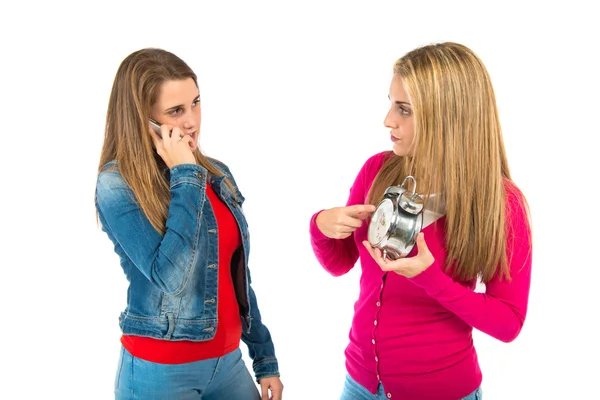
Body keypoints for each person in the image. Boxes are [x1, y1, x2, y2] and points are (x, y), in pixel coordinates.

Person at [309, 42, 532, 400]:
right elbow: (339, 263)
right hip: (360, 385)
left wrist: (432, 280)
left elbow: (508, 323)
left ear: (447, 117)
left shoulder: (502, 204)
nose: (387, 120)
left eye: (404, 110)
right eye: (391, 103)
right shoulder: (378, 171)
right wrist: (321, 225)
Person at [95, 48, 283, 400]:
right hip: (159, 372)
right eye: (176, 111)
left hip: (227, 365)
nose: (192, 120)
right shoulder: (117, 184)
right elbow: (171, 278)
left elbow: (237, 278)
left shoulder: (217, 174)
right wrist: (184, 173)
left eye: (196, 103)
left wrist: (264, 356)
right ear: (143, 120)